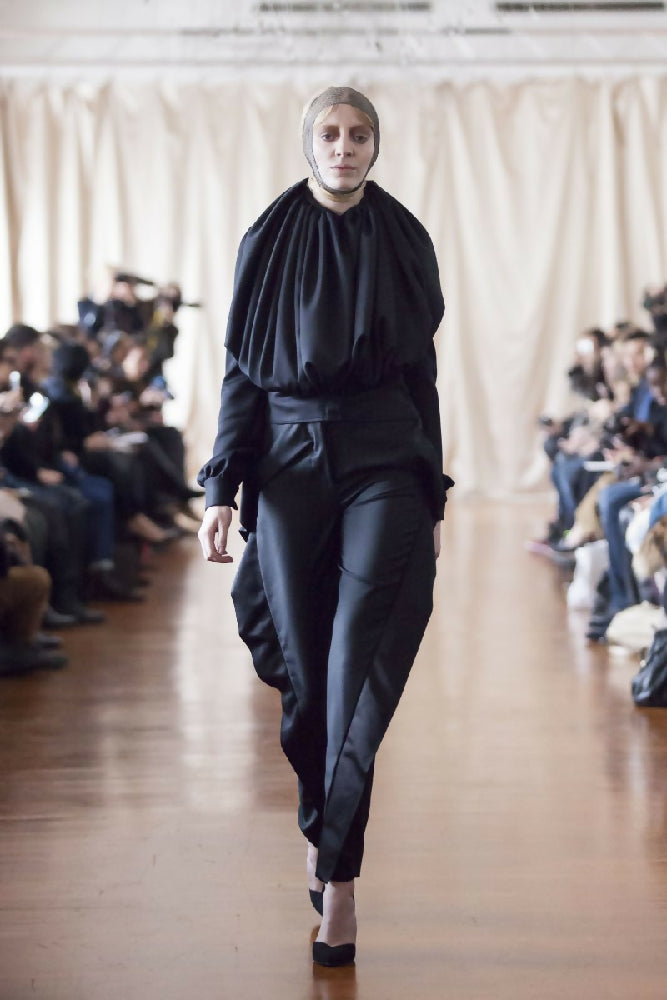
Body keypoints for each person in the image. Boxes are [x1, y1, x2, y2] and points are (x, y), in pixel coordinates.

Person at [198, 86, 453, 968]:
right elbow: (242, 372)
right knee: (307, 677)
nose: (344, 147)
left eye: (359, 134)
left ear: (376, 145)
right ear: (309, 142)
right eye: (331, 133)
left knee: (356, 668)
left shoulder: (404, 237)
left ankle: (338, 878)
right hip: (287, 465)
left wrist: (431, 488)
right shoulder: (267, 238)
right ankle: (321, 822)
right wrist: (221, 485)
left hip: (384, 460)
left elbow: (422, 377)